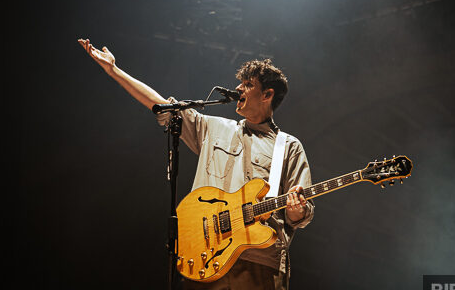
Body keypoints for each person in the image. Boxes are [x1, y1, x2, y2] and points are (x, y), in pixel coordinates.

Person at [78, 38, 314, 289]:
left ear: (267, 95)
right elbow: (161, 105)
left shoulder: (288, 147)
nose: (238, 88)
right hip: (204, 255)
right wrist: (114, 70)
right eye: (241, 83)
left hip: (257, 262)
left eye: (248, 84)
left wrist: (296, 210)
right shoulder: (214, 128)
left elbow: (301, 213)